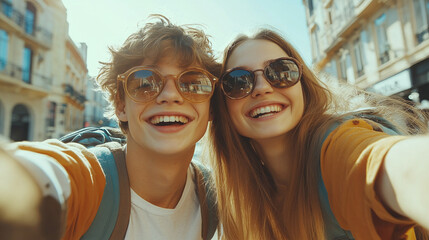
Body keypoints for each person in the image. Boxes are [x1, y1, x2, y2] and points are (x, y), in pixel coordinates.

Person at [0, 15, 220, 239]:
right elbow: (42, 174)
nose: (170, 95)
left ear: (212, 107)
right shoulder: (89, 180)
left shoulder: (218, 197)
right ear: (121, 105)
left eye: (193, 83)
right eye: (144, 83)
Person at [210, 29, 429, 239]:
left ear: (303, 86)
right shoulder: (243, 200)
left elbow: (386, 163)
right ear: (223, 106)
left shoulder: (337, 143)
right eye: (238, 81)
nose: (262, 88)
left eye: (280, 71)